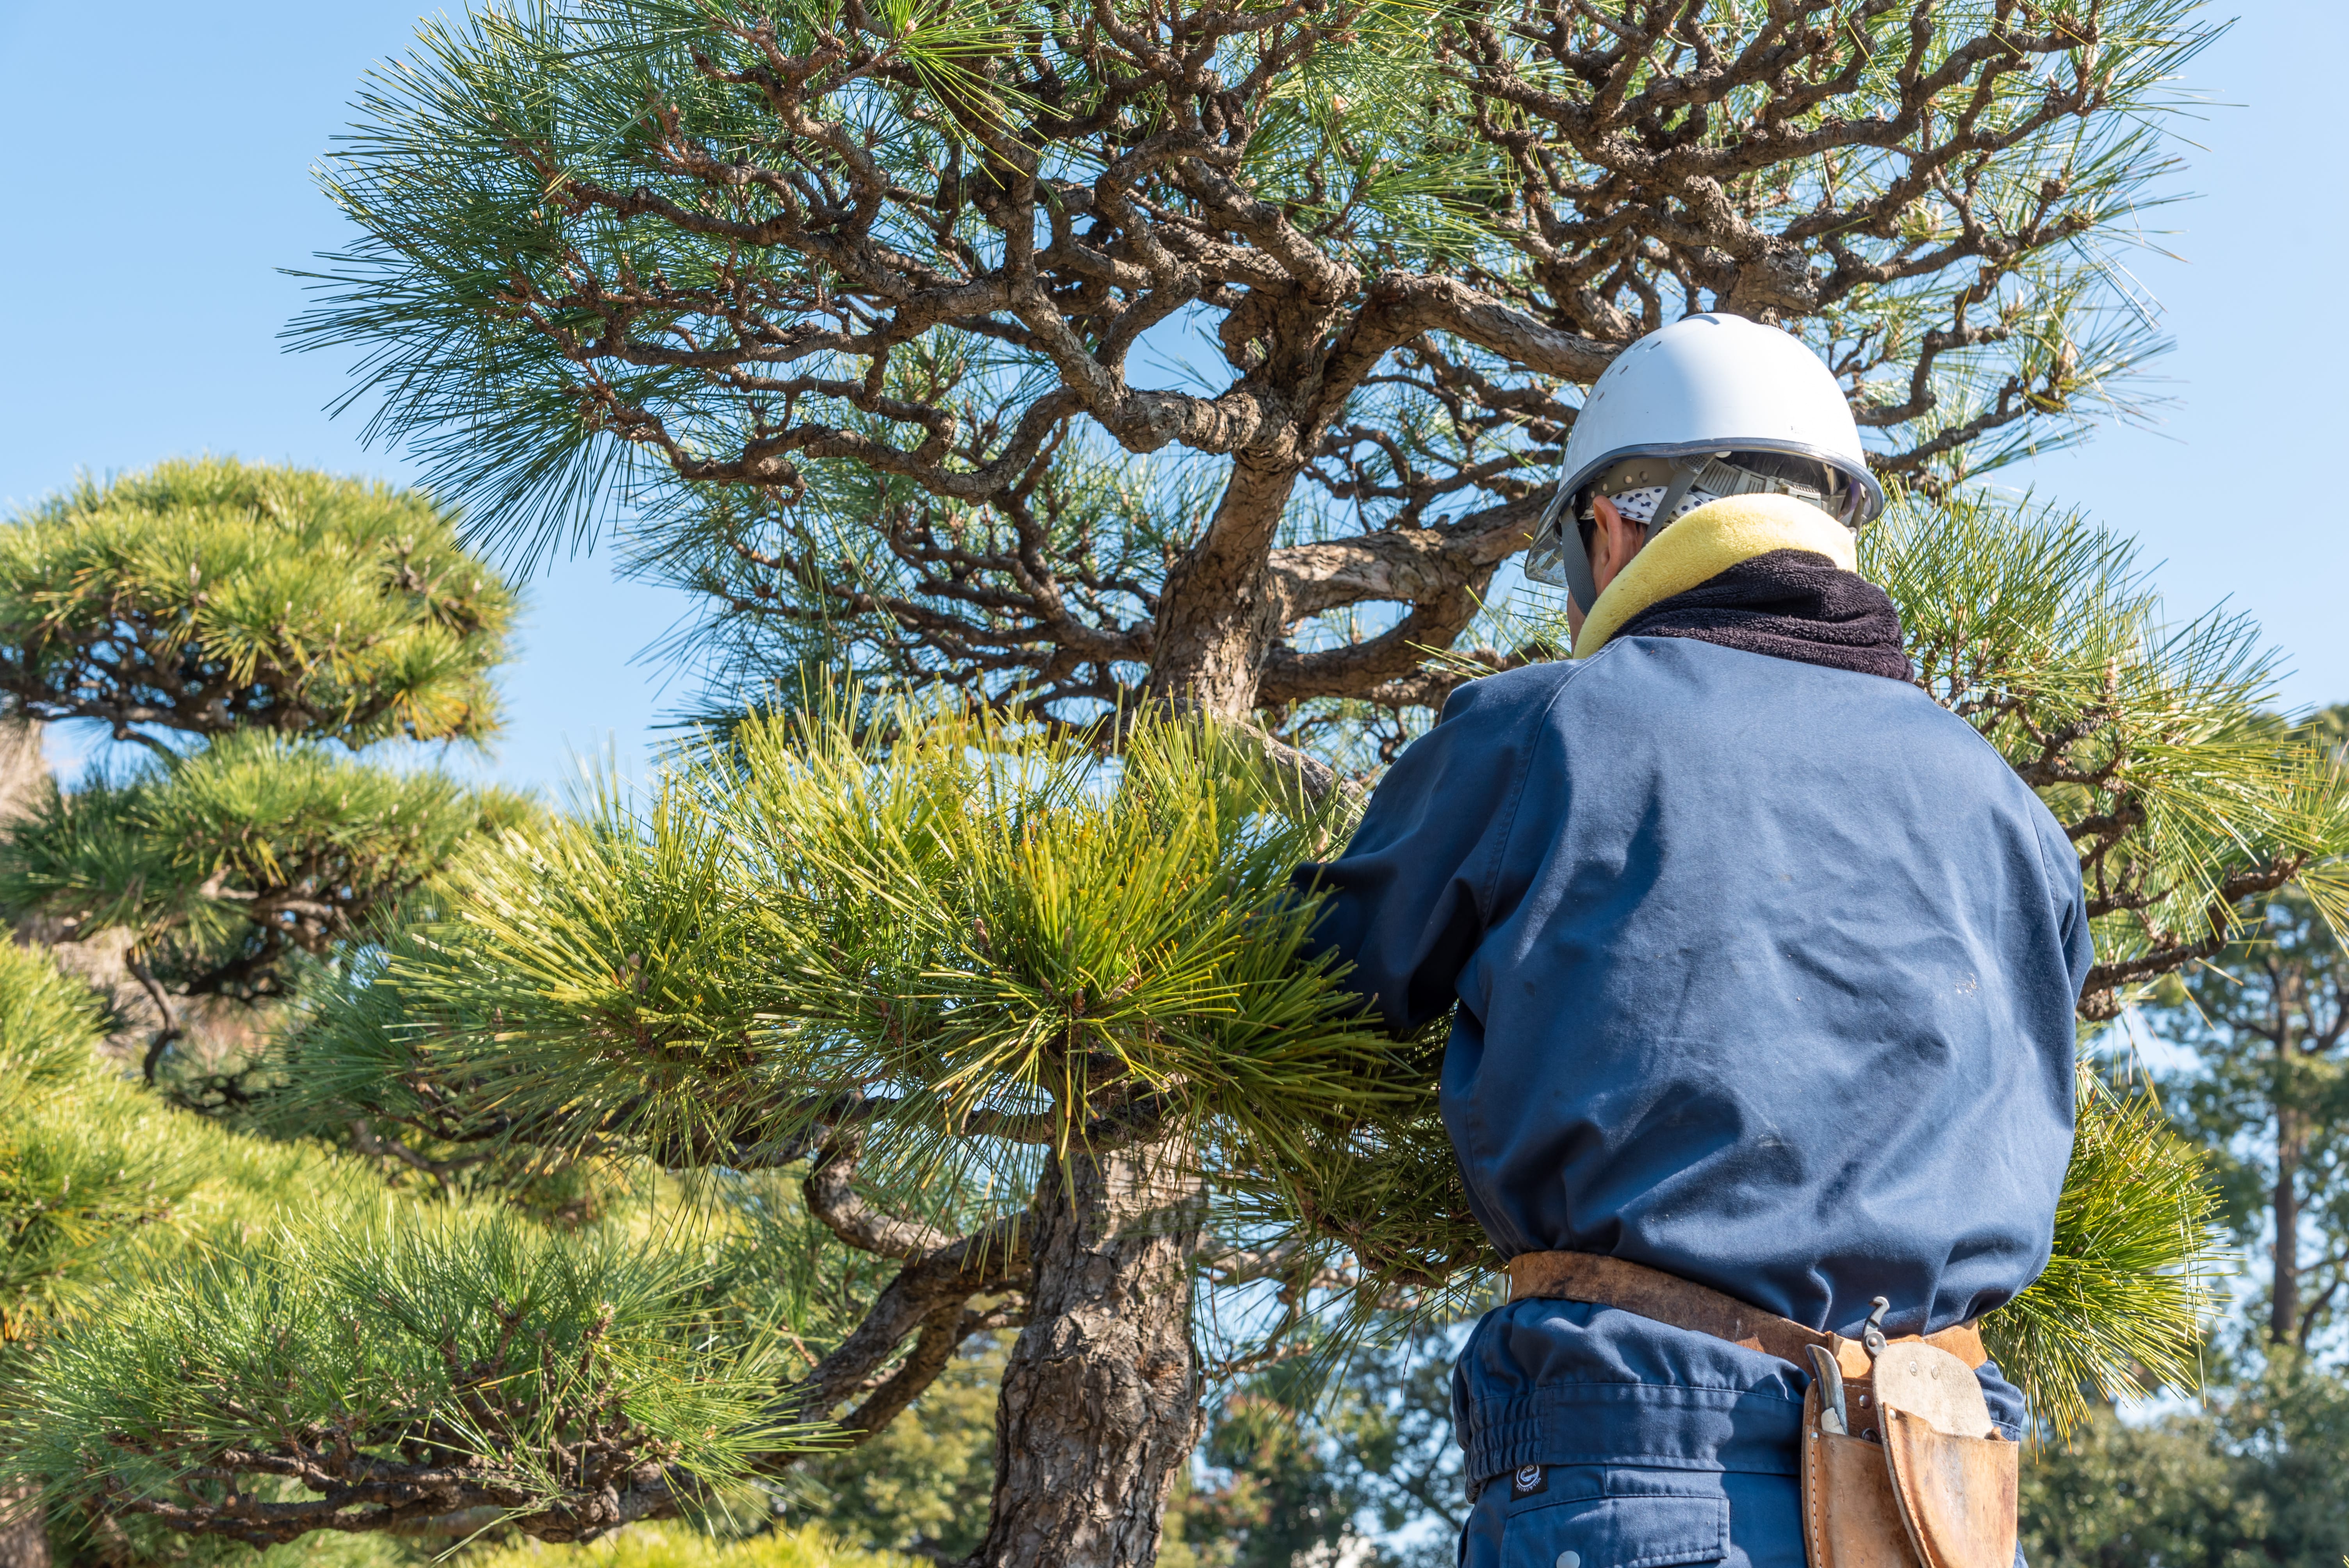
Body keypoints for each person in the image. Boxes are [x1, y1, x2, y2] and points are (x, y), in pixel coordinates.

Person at [1291, 314, 2089, 1568]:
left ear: (1609, 526)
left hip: (1649, 1462)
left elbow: (1310, 988)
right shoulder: (2009, 808)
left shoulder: (1540, 730)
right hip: (1942, 1500)